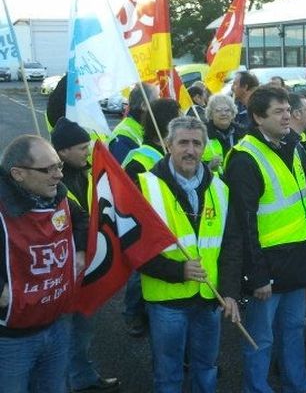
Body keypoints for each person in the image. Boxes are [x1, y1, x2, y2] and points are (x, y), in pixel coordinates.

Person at [225, 85, 306, 393]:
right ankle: (257, 388)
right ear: (257, 117)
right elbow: (245, 225)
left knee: (293, 329)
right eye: (278, 112)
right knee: (261, 337)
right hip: (267, 265)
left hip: (296, 258)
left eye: (288, 111)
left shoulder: (290, 144)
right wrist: (257, 275)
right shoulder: (244, 158)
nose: (286, 117)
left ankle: (298, 384)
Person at [137, 116, 242, 393]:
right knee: (168, 373)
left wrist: (230, 291)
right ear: (169, 145)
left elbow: (231, 245)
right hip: (166, 301)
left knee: (206, 369)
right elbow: (134, 249)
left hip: (209, 299)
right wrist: (178, 271)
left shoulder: (220, 187)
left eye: (197, 143)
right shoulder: (144, 187)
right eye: (183, 142)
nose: (190, 150)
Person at [0, 135, 88, 393]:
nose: (58, 175)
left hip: (56, 323)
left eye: (58, 166)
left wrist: (80, 250)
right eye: (48, 169)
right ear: (18, 174)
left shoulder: (58, 195)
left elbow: (81, 218)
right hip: (12, 337)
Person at [51, 118, 121, 392]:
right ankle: (63, 381)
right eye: (81, 147)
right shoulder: (52, 183)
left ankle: (82, 377)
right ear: (62, 152)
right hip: (63, 269)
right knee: (64, 332)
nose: (87, 150)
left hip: (88, 263)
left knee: (83, 327)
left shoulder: (89, 172)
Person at [121, 98, 181, 337]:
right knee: (141, 272)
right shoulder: (140, 157)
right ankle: (133, 312)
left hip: (174, 223)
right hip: (148, 227)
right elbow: (129, 196)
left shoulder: (173, 152)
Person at [108, 82, 160, 164]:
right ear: (144, 106)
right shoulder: (122, 137)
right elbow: (125, 173)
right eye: (157, 99)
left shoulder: (146, 127)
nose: (160, 103)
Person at [202, 94, 245, 174]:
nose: (223, 113)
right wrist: (208, 167)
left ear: (233, 113)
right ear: (211, 114)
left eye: (227, 110)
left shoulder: (243, 133)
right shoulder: (202, 135)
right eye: (218, 110)